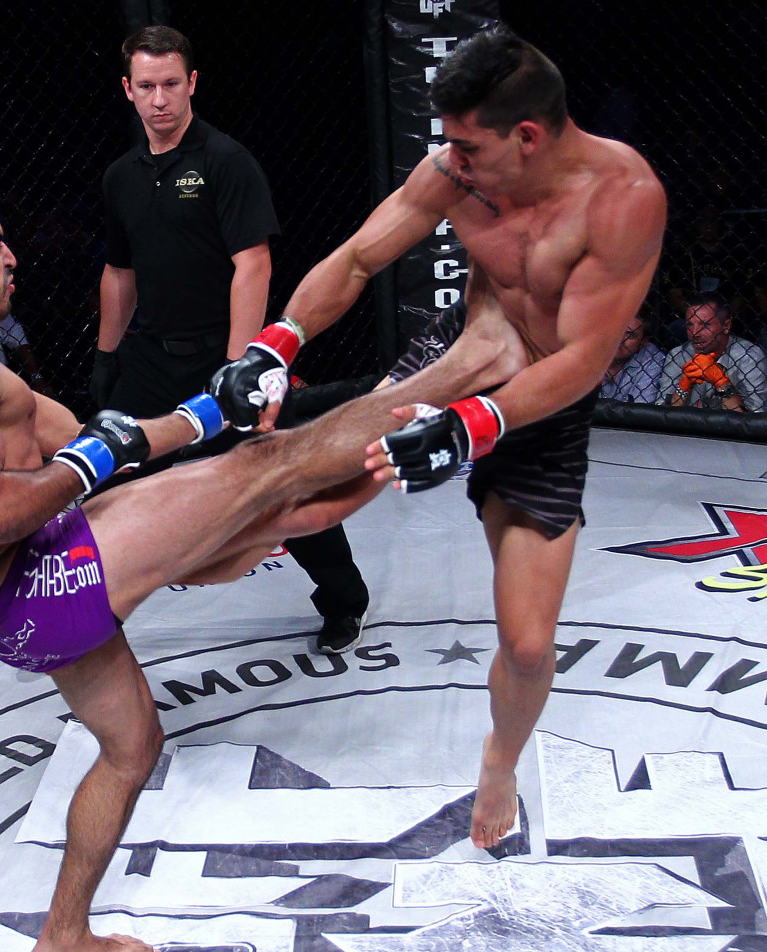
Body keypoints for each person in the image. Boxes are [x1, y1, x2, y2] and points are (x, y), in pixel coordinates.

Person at [0, 176, 507, 952]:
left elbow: (94, 438)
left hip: (15, 608)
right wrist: (107, 460)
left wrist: (209, 413)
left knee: (138, 737)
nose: (12, 256)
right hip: (40, 578)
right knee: (270, 471)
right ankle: (459, 364)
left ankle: (63, 936)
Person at [210, 24, 666, 851]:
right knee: (313, 499)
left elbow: (585, 359)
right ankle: (138, 571)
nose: (449, 161)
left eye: (465, 144)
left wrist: (471, 427)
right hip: (469, 349)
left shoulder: (623, 198)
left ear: (526, 137)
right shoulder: (455, 172)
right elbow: (353, 262)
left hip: (545, 402)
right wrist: (274, 347)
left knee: (528, 647)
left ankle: (500, 758)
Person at [92, 25, 370, 654]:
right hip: (153, 356)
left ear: (191, 84)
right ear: (128, 92)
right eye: (146, 86)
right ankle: (88, 620)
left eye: (170, 84)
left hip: (225, 355)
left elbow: (255, 262)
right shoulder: (120, 177)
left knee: (279, 484)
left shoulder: (225, 161)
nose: (160, 99)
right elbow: (119, 270)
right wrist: (106, 356)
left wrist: (241, 366)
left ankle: (344, 600)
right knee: (103, 477)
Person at [657, 291, 766, 412]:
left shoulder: (749, 357)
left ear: (726, 326)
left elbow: (753, 422)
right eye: (690, 325)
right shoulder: (678, 355)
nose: (695, 333)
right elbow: (661, 416)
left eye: (704, 325)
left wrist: (721, 382)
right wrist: (683, 387)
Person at [598, 305, 666, 403]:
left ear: (643, 341)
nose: (620, 340)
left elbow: (641, 412)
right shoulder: (587, 350)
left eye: (630, 335)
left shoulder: (651, 359)